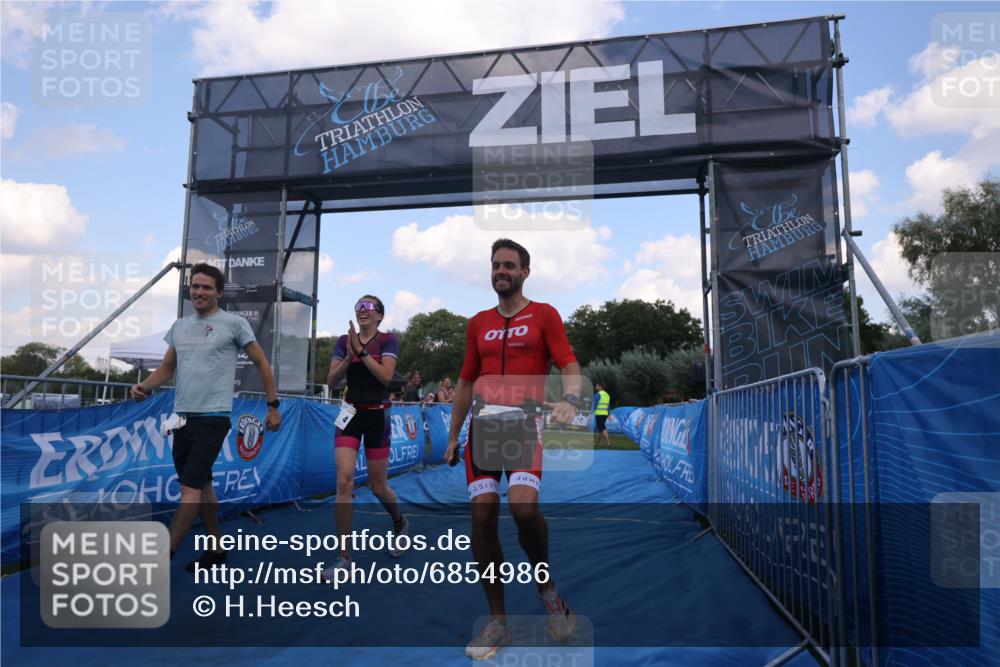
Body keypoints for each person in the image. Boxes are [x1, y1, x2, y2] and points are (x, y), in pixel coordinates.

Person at [444, 238, 581, 660]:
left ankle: (547, 588)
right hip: (482, 425)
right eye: (495, 265)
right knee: (482, 514)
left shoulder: (544, 314)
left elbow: (569, 365)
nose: (501, 271)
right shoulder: (477, 323)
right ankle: (497, 620)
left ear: (524, 272)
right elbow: (466, 382)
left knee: (523, 510)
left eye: (509, 265)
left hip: (523, 423)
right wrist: (452, 436)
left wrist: (569, 398)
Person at [130, 263, 281, 569]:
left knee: (189, 490)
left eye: (206, 287)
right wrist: (144, 386)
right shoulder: (179, 327)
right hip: (181, 419)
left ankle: (161, 559)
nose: (199, 292)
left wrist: (273, 405)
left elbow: (262, 364)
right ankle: (215, 549)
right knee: (203, 486)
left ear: (219, 293)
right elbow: (166, 369)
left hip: (213, 418)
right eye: (195, 286)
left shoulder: (234, 324)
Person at [324, 294, 408, 577]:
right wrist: (349, 356)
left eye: (368, 306)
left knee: (378, 486)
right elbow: (332, 381)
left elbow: (386, 377)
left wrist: (361, 353)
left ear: (380, 316)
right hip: (350, 414)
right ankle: (343, 557)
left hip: (377, 415)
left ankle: (399, 522)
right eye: (358, 305)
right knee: (343, 480)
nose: (362, 309)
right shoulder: (342, 341)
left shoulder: (388, 340)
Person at [593, 382, 611, 448]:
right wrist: (609, 414)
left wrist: (591, 413)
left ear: (600, 387)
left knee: (603, 428)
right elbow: (608, 405)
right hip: (605, 414)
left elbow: (595, 405)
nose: (596, 386)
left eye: (597, 385)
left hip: (599, 413)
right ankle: (595, 444)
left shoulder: (597, 394)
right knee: (599, 429)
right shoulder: (607, 395)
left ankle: (609, 443)